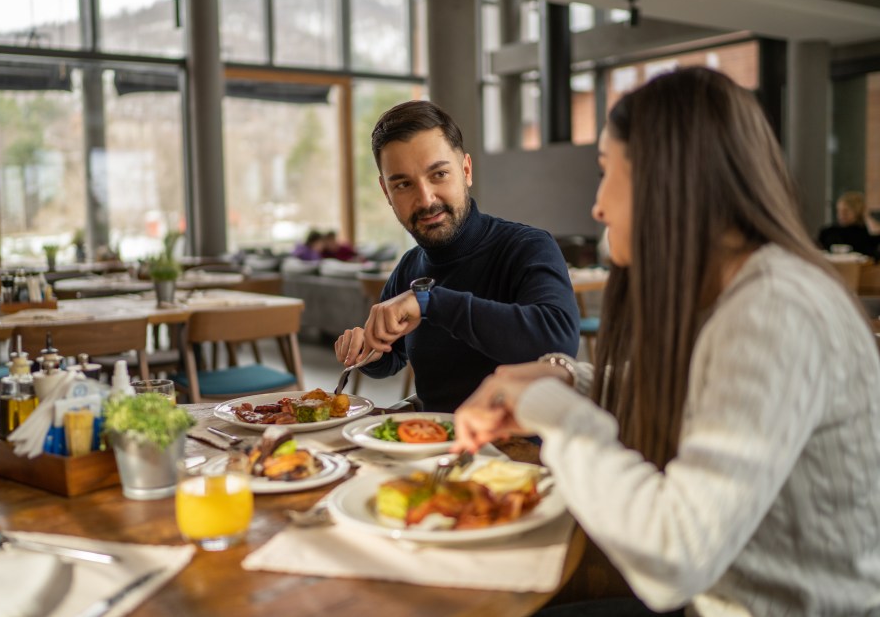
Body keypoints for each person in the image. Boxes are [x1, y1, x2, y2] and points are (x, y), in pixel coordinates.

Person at [454, 67, 880, 616]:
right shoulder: (746, 291)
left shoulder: (774, 308)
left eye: (607, 170)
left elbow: (672, 557)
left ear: (667, 180)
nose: (598, 206)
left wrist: (550, 411)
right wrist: (567, 377)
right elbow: (711, 394)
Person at [334, 100, 580, 413]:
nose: (426, 199)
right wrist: (368, 351)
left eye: (438, 174)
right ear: (386, 193)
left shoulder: (527, 246)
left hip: (516, 452)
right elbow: (392, 359)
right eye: (404, 184)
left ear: (465, 170)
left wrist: (430, 302)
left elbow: (559, 343)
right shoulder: (410, 265)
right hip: (434, 445)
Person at [817, 191, 880, 258]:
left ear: (856, 212)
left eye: (845, 211)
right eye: (839, 211)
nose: (840, 215)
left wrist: (866, 215)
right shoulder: (828, 232)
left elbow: (875, 236)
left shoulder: (865, 233)